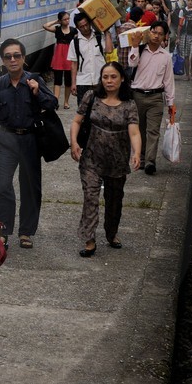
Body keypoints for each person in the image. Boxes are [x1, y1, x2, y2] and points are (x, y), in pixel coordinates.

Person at [0, 38, 57, 248]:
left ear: (24, 58)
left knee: (30, 186)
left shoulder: (34, 80)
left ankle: (26, 232)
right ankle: (2, 231)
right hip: (6, 139)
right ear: (3, 60)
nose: (13, 60)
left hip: (30, 139)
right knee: (2, 186)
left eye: (16, 56)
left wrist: (38, 92)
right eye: (8, 56)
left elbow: (52, 103)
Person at [69, 62, 142, 256]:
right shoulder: (91, 97)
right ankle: (89, 239)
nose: (109, 81)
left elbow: (134, 132)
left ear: (122, 79)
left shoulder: (129, 104)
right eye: (105, 77)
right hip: (91, 158)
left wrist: (136, 153)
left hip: (117, 160)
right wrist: (74, 142)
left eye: (113, 77)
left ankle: (111, 233)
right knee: (90, 197)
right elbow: (77, 120)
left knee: (114, 200)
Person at [127, 21, 177, 174]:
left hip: (155, 97)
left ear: (164, 37)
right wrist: (135, 46)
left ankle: (150, 161)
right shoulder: (140, 50)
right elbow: (131, 62)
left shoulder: (166, 57)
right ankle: (140, 158)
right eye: (154, 32)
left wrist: (171, 103)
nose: (156, 36)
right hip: (137, 95)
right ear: (149, 33)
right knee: (139, 129)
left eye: (160, 34)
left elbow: (169, 81)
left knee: (153, 130)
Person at [43, 11, 77, 107]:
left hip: (69, 56)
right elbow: (45, 26)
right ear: (60, 21)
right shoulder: (57, 29)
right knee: (57, 80)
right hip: (59, 57)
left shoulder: (73, 30)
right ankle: (56, 100)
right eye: (65, 19)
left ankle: (66, 102)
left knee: (68, 80)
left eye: (68, 19)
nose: (67, 21)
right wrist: (56, 22)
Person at [72, 11, 106, 103]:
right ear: (77, 27)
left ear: (90, 23)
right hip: (83, 81)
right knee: (83, 111)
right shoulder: (75, 42)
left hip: (100, 80)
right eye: (81, 26)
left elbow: (109, 50)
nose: (85, 28)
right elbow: (74, 63)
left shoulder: (99, 37)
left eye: (86, 25)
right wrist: (73, 83)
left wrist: (107, 32)